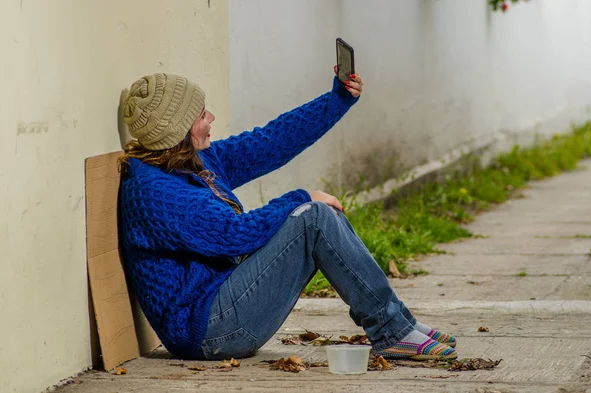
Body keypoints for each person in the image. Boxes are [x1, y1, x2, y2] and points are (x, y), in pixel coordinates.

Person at [118, 69, 457, 361]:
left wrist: (336, 100)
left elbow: (270, 142)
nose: (211, 119)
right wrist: (301, 197)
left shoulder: (190, 161)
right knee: (312, 216)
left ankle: (399, 324)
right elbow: (235, 234)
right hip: (209, 330)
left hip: (221, 303)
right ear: (177, 129)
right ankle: (392, 330)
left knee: (314, 213)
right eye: (202, 114)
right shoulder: (156, 193)